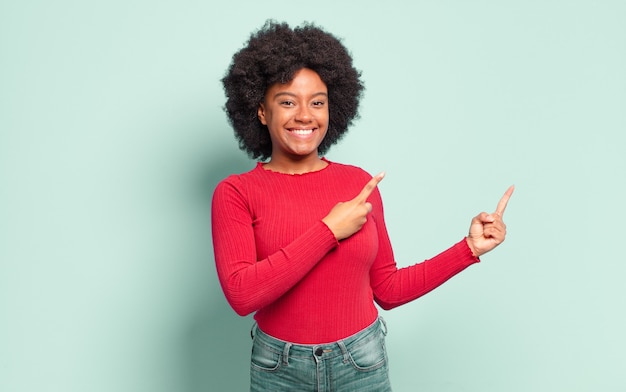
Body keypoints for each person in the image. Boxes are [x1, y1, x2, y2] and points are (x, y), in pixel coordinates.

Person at [212, 20, 514, 392]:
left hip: (361, 362)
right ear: (261, 111)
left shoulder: (358, 184)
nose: (305, 115)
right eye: (287, 102)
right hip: (280, 369)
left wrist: (468, 249)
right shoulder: (237, 192)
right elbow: (242, 295)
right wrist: (327, 231)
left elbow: (387, 289)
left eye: (317, 102)